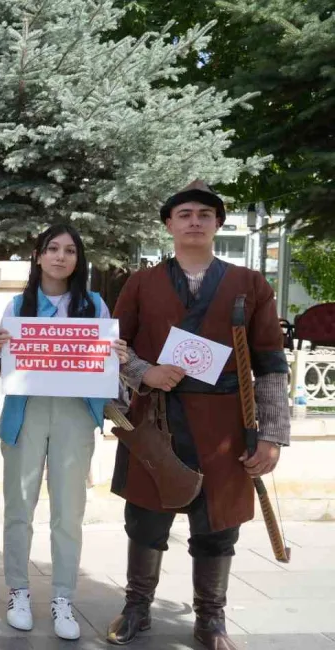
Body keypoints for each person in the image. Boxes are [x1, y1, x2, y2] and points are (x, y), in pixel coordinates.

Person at [106, 181, 290, 650]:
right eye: (184, 214)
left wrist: (270, 435)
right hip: (155, 418)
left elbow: (270, 363)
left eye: (204, 215)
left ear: (217, 224)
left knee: (218, 526)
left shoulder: (250, 283)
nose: (193, 221)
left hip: (224, 424)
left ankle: (211, 619)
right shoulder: (141, 282)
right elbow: (110, 348)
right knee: (145, 521)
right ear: (169, 224)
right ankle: (136, 609)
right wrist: (146, 372)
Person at [0, 225, 130, 640]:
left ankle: (64, 597)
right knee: (19, 506)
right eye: (52, 249)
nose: (60, 257)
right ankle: (18, 591)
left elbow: (107, 368)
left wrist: (117, 356)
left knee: (69, 512)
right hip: (26, 413)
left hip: (74, 414)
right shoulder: (19, 305)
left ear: (78, 259)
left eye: (69, 250)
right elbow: (4, 367)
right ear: (38, 256)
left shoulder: (95, 307)